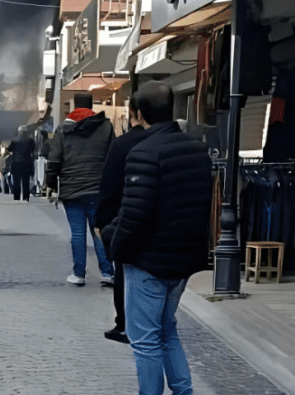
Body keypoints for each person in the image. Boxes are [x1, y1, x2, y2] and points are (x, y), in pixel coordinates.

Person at [104, 82, 212, 395]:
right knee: (166, 330)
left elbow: (134, 214)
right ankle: (183, 391)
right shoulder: (197, 151)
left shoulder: (144, 152)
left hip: (149, 260)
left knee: (146, 340)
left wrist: (115, 246)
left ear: (138, 114)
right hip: (182, 262)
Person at [94, 96, 150, 345]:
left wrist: (101, 222)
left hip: (124, 217)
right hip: (163, 225)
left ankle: (125, 324)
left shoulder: (122, 144)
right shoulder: (180, 144)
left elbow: (109, 185)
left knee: (124, 271)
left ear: (135, 113)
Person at [45, 107, 115, 286]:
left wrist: (51, 184)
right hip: (98, 189)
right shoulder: (105, 127)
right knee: (98, 230)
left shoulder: (63, 130)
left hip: (72, 189)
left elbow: (54, 160)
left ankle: (79, 274)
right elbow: (113, 156)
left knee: (77, 232)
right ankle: (107, 272)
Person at [7, 126, 36, 202]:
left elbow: (9, 149)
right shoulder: (30, 141)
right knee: (26, 182)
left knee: (16, 182)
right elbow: (33, 149)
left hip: (16, 163)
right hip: (27, 163)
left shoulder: (14, 141)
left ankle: (16, 197)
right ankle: (25, 197)